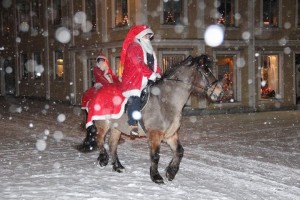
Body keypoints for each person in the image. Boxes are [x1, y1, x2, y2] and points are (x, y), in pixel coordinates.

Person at [120, 25, 162, 135]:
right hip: (134, 79)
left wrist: (159, 74)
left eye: (149, 35)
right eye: (146, 35)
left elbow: (154, 65)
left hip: (147, 77)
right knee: (135, 97)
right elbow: (138, 64)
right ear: (140, 36)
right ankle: (132, 124)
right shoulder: (134, 47)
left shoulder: (148, 49)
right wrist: (152, 75)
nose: (148, 37)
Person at [80, 53, 121, 151]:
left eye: (103, 60)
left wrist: (118, 79)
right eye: (100, 60)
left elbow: (113, 76)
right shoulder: (96, 69)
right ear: (98, 62)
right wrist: (109, 83)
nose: (102, 62)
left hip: (109, 86)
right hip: (101, 85)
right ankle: (93, 111)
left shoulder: (108, 69)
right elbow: (101, 77)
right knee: (95, 96)